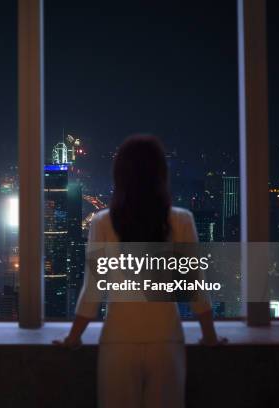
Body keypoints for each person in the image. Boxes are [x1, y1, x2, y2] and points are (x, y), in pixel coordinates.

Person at [54, 135, 227, 408]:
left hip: (118, 342)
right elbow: (196, 288)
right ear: (161, 174)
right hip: (166, 342)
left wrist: (73, 337)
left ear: (119, 175)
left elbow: (93, 290)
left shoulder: (102, 223)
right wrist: (210, 336)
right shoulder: (182, 220)